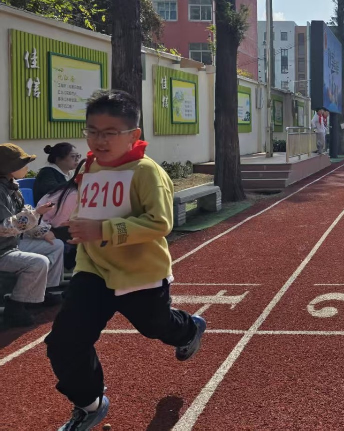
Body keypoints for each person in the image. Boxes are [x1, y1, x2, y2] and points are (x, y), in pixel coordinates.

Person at [45, 90, 205, 431]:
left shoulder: (147, 172)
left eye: (110, 133)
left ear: (134, 134)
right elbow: (88, 209)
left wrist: (103, 229)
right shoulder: (90, 166)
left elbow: (160, 223)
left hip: (140, 273)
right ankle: (89, 404)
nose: (99, 140)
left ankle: (188, 328)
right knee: (64, 341)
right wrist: (78, 229)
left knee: (155, 326)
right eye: (92, 131)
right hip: (93, 270)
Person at [0, 144, 63, 327]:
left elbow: (24, 219)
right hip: (2, 251)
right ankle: (15, 307)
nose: (27, 168)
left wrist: (42, 231)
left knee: (56, 245)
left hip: (10, 246)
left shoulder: (12, 188)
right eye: (23, 164)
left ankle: (44, 292)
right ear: (9, 167)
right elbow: (4, 227)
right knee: (38, 262)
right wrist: (35, 214)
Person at [36, 160, 85, 271]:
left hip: (51, 229)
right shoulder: (74, 195)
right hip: (48, 232)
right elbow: (58, 225)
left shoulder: (72, 189)